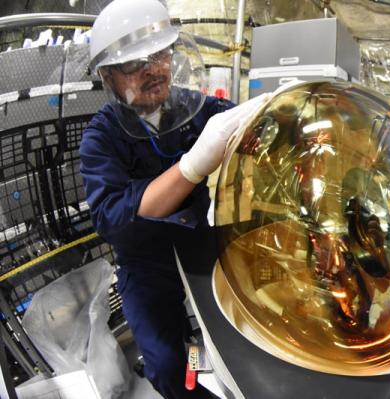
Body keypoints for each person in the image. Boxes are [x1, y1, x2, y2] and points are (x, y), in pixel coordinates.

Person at [79, 1, 269, 398]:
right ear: (109, 77)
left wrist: (273, 113)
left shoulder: (192, 108)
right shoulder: (101, 137)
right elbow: (113, 217)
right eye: (135, 63)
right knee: (167, 367)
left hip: (198, 245)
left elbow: (248, 124)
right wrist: (191, 167)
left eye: (160, 54)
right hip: (144, 264)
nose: (154, 68)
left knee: (231, 342)